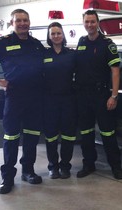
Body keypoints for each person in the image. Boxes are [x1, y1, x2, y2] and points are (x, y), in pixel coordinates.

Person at [0, 9, 45, 194]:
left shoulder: (36, 44)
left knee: (32, 135)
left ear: (29, 22)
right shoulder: (3, 43)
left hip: (35, 96)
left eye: (25, 20)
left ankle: (28, 171)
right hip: (15, 96)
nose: (23, 23)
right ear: (12, 23)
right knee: (11, 137)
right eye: (19, 20)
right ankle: (8, 177)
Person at [75, 10, 122, 180]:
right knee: (86, 133)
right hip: (83, 95)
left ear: (98, 23)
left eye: (93, 22)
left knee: (107, 133)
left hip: (101, 95)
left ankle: (116, 166)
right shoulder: (81, 43)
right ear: (83, 23)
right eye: (87, 22)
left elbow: (115, 71)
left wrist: (114, 96)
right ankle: (89, 164)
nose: (90, 25)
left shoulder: (107, 44)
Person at [43, 22, 77, 179]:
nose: (56, 36)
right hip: (49, 101)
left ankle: (65, 166)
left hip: (68, 101)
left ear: (63, 35)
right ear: (49, 37)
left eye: (58, 33)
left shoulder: (71, 55)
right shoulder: (43, 55)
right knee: (50, 136)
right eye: (53, 34)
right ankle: (53, 167)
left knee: (68, 136)